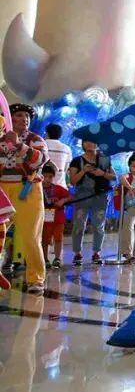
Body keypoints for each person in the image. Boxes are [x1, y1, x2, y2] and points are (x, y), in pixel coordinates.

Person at [0, 104, 49, 294]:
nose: (24, 119)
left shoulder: (35, 139)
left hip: (27, 191)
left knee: (31, 237)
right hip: (3, 191)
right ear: (9, 118)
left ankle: (36, 279)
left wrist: (19, 145)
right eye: (19, 115)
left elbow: (39, 161)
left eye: (27, 116)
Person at [68, 139, 115, 265]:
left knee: (99, 225)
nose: (89, 144)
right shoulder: (77, 161)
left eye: (92, 141)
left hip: (100, 196)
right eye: (86, 141)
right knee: (79, 225)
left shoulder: (104, 159)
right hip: (82, 196)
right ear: (82, 144)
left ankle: (96, 252)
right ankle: (77, 253)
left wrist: (102, 173)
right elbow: (72, 181)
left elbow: (113, 176)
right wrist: (83, 171)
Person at [40, 163, 72, 268]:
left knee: (58, 239)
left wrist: (62, 201)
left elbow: (70, 196)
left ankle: (57, 258)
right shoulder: (37, 189)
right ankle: (45, 259)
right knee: (45, 240)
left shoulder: (58, 188)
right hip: (44, 220)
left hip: (58, 219)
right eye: (44, 176)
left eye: (50, 177)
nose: (47, 179)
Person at [43, 124, 72, 189]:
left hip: (41, 184)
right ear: (60, 135)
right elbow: (66, 169)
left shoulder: (41, 145)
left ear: (46, 133)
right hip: (60, 186)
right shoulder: (66, 148)